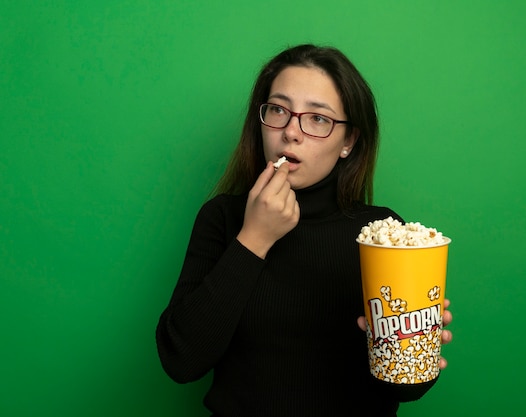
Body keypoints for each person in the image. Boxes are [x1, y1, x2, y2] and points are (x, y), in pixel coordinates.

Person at [156, 44, 454, 417]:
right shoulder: (222, 218)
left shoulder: (381, 235)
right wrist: (255, 238)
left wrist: (414, 350)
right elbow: (181, 361)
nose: (291, 132)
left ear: (348, 141)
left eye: (317, 119)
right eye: (279, 110)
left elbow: (404, 390)